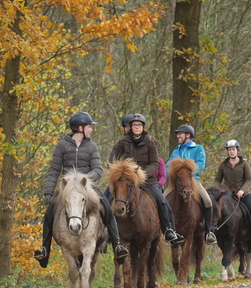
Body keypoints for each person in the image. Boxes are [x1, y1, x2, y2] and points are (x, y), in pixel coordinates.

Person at [33, 112, 128, 267]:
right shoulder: (62, 145)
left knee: (106, 208)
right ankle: (44, 250)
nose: (91, 130)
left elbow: (97, 170)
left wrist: (82, 179)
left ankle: (117, 245)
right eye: (89, 127)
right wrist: (49, 192)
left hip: (87, 186)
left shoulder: (91, 146)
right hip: (66, 188)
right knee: (50, 212)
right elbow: (54, 170)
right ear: (79, 128)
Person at [112, 114, 184, 246]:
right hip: (126, 180)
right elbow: (116, 161)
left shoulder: (150, 143)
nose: (137, 127)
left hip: (147, 180)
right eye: (134, 125)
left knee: (162, 201)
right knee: (108, 199)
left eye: (139, 125)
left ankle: (169, 230)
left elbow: (155, 163)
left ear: (143, 127)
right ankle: (106, 232)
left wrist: (142, 174)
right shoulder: (122, 143)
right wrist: (124, 174)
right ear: (130, 127)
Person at [165, 124, 217, 244]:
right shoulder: (176, 151)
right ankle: (165, 230)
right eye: (178, 134)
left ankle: (209, 231)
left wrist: (186, 173)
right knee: (161, 200)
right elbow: (168, 166)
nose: (178, 136)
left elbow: (201, 164)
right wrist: (167, 176)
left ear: (188, 135)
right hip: (176, 183)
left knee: (208, 201)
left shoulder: (198, 148)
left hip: (193, 181)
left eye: (180, 133)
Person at [214, 140, 251, 246]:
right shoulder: (223, 165)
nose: (231, 152)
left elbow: (249, 179)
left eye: (233, 149)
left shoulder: (244, 164)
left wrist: (242, 190)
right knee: (214, 209)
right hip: (227, 194)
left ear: (237, 150)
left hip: (243, 194)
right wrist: (218, 189)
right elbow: (218, 179)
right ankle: (211, 233)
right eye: (229, 150)